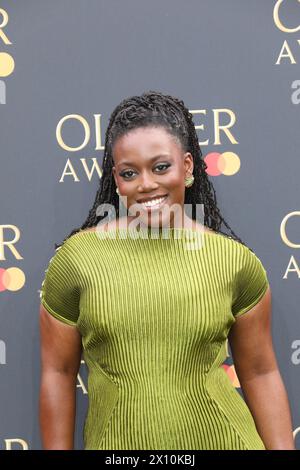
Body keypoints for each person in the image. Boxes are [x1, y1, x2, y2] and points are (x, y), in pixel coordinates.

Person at [39, 90, 295, 450]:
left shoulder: (233, 262)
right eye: (130, 172)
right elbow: (58, 374)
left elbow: (261, 372)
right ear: (117, 178)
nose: (147, 184)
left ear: (187, 167)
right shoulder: (77, 260)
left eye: (161, 167)